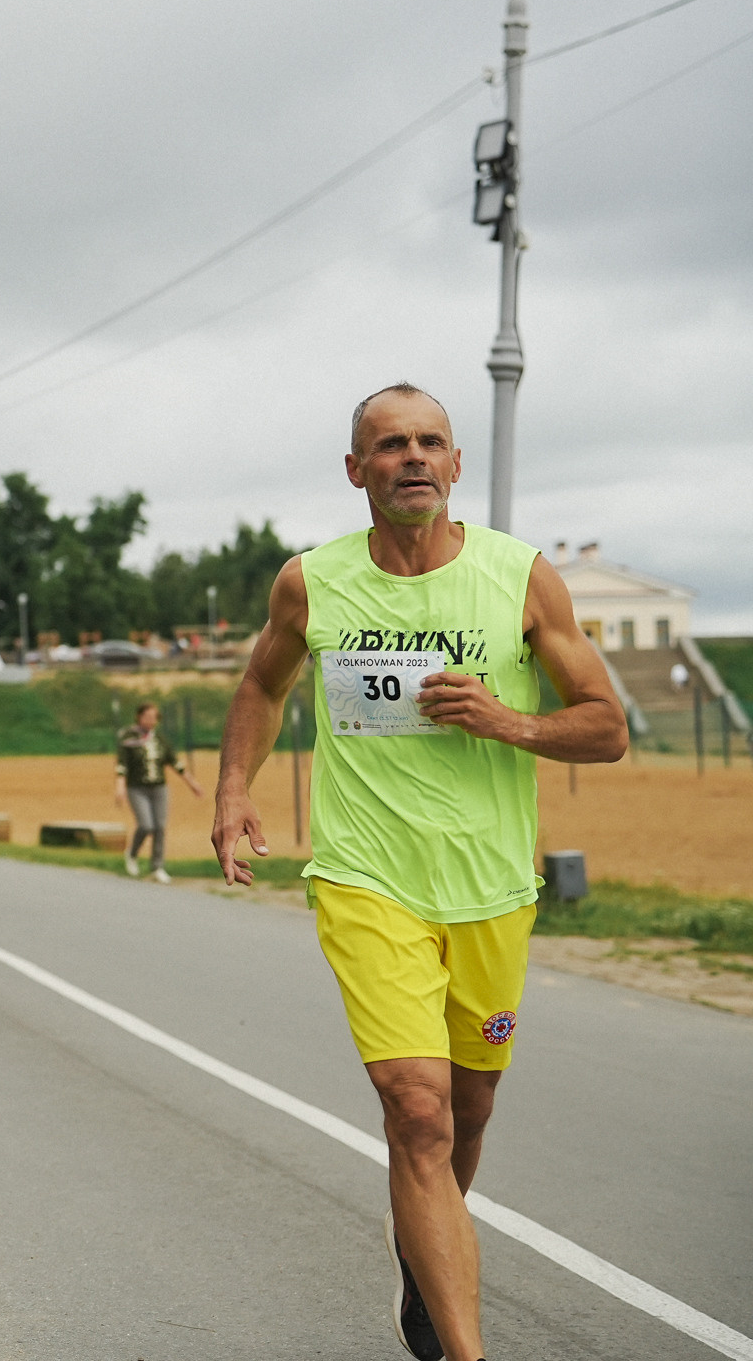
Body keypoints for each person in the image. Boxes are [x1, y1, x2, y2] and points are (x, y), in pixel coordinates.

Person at [211, 383, 625, 1361]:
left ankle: (425, 1250)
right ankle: (461, 1349)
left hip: (489, 889)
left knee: (468, 1109)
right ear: (356, 470)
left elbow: (605, 726)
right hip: (366, 878)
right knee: (419, 1108)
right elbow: (262, 685)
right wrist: (233, 791)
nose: (412, 458)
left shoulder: (520, 578)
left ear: (455, 465)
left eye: (430, 442)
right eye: (389, 445)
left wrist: (509, 719)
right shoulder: (311, 582)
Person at [115, 702, 202, 883]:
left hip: (159, 788)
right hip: (137, 788)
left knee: (160, 827)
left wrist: (192, 784)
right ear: (139, 717)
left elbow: (175, 763)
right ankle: (131, 854)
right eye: (147, 717)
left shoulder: (160, 740)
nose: (151, 721)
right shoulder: (128, 738)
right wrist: (120, 787)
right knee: (146, 825)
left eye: (154, 717)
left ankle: (157, 867)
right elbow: (122, 765)